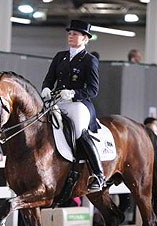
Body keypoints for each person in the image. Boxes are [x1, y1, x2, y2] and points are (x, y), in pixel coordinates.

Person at [41, 19, 106, 192]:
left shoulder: (89, 60)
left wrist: (74, 94)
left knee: (78, 130)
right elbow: (49, 78)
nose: (71, 36)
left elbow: (93, 89)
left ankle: (99, 175)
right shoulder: (59, 56)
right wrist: (46, 88)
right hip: (57, 101)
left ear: (85, 38)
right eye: (69, 33)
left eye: (75, 34)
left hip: (78, 104)